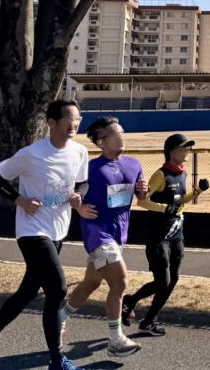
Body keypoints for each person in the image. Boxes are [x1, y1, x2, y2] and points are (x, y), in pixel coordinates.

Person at [0, 99, 91, 370]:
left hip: (59, 228)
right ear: (51, 123)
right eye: (69, 119)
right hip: (32, 230)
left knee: (27, 292)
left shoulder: (80, 152)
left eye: (78, 119)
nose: (75, 124)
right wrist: (19, 200)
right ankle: (57, 359)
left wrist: (77, 196)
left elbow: (83, 181)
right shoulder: (31, 153)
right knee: (57, 289)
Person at [59, 116, 148, 357]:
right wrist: (78, 208)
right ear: (101, 142)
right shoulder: (90, 169)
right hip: (97, 232)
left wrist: (143, 191)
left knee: (91, 283)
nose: (122, 136)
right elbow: (65, 190)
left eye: (122, 132)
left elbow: (140, 196)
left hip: (120, 234)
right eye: (116, 133)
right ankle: (116, 340)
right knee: (120, 282)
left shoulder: (134, 164)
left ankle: (59, 317)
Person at [121, 133, 208, 335]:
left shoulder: (183, 174)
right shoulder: (160, 175)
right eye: (183, 148)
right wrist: (164, 208)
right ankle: (130, 302)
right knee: (163, 281)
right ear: (171, 151)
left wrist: (197, 192)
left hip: (177, 234)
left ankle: (148, 321)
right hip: (158, 235)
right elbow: (142, 201)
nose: (187, 152)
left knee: (174, 279)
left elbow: (178, 202)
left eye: (188, 148)